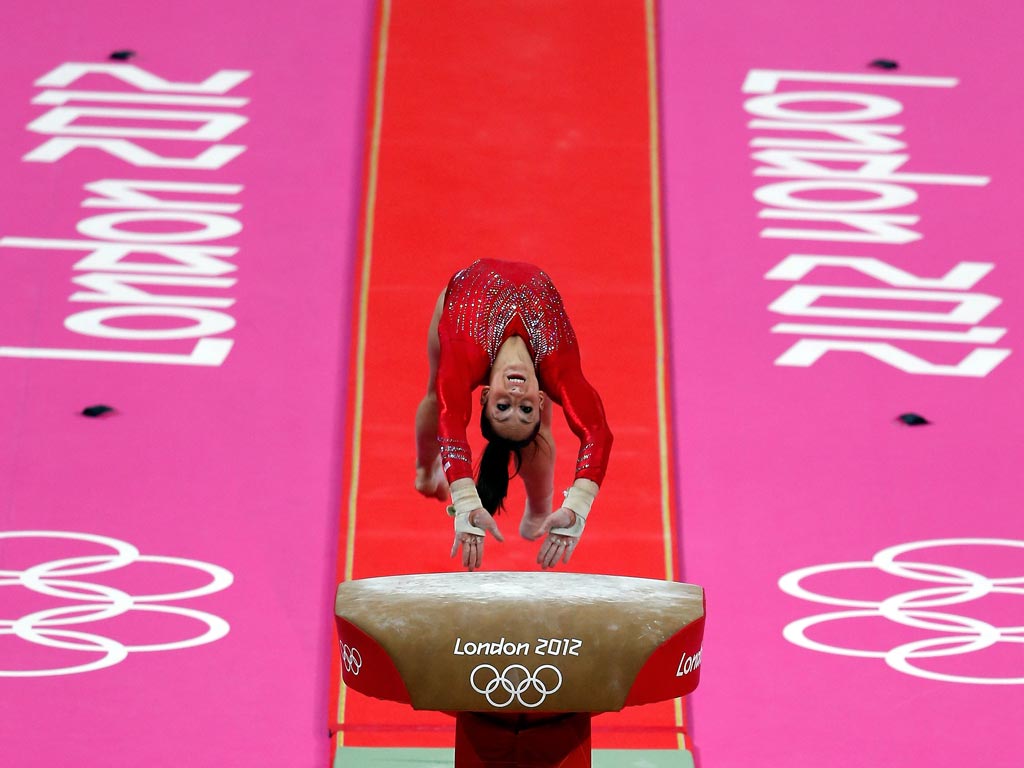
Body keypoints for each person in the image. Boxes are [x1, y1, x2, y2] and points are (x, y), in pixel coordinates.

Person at [414, 258, 612, 571]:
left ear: (486, 395)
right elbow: (598, 431)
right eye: (526, 408)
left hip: (458, 305)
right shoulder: (556, 366)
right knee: (440, 398)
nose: (517, 397)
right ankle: (426, 468)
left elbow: (451, 421)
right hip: (538, 353)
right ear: (542, 398)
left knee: (440, 395)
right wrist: (579, 504)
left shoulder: (464, 354)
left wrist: (466, 501)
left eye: (503, 408)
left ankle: (538, 508)